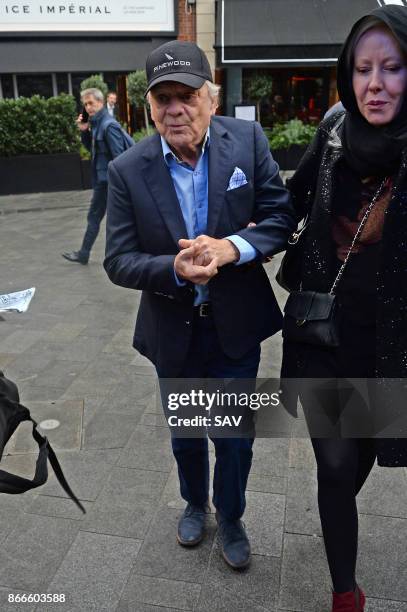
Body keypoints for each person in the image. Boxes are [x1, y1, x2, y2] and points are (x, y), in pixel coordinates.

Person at [104, 40, 295, 569]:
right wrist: (173, 267)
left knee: (235, 438)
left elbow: (281, 218)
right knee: (187, 433)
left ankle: (231, 516)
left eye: (186, 96)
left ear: (210, 99)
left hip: (234, 327)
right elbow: (118, 260)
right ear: (149, 108)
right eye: (162, 99)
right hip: (173, 329)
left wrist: (232, 247)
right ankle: (195, 502)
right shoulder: (127, 169)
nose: (175, 109)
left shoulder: (247, 142)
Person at [281, 5, 407, 611]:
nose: (374, 84)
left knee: (359, 460)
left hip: (390, 345)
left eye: (391, 68)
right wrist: (232, 241)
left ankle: (338, 513)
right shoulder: (333, 128)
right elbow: (291, 199)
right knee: (334, 463)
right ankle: (344, 593)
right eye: (362, 69)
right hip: (321, 332)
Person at [62, 88, 131, 265]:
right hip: (103, 182)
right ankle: (85, 253)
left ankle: (91, 254)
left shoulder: (108, 125)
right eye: (85, 104)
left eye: (91, 103)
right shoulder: (97, 123)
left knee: (108, 218)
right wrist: (84, 130)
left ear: (101, 103)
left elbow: (120, 158)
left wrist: (118, 185)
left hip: (109, 183)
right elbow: (92, 151)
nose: (88, 107)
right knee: (99, 217)